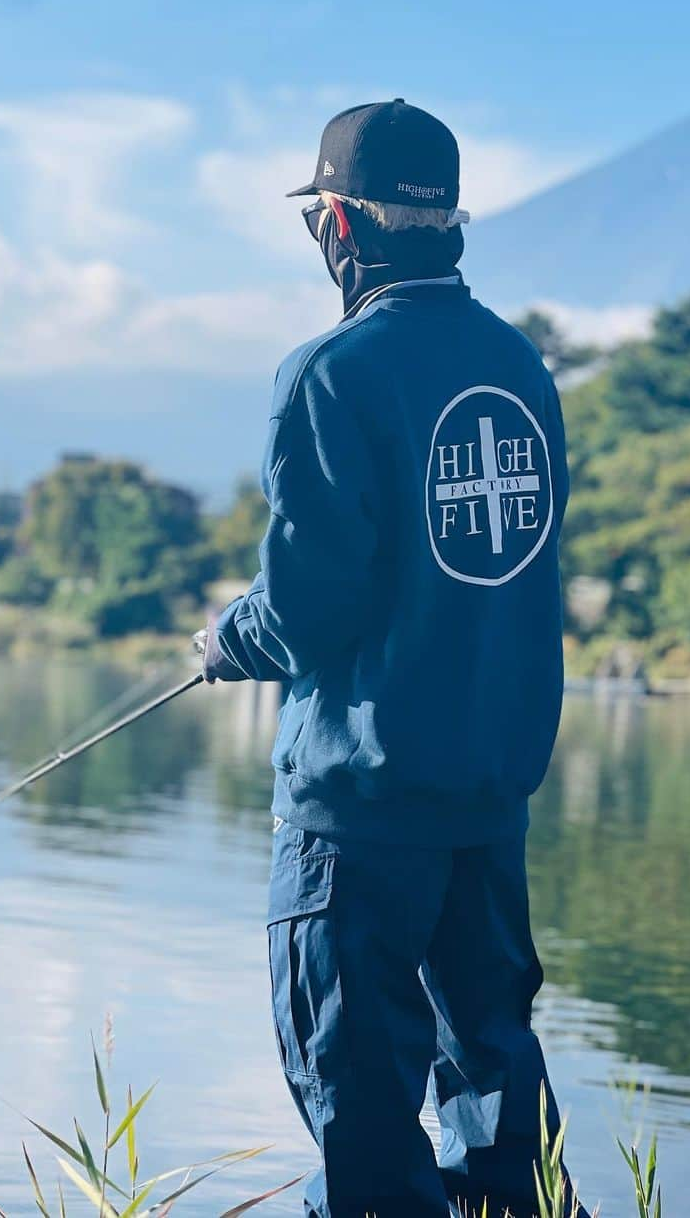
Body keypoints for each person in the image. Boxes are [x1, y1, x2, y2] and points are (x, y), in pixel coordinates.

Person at [196, 99, 581, 1218]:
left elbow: (312, 604)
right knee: (496, 1092)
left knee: (360, 1111)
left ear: (343, 229)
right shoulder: (520, 364)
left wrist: (226, 638)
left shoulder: (332, 373)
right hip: (488, 797)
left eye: (316, 214)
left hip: (357, 818)